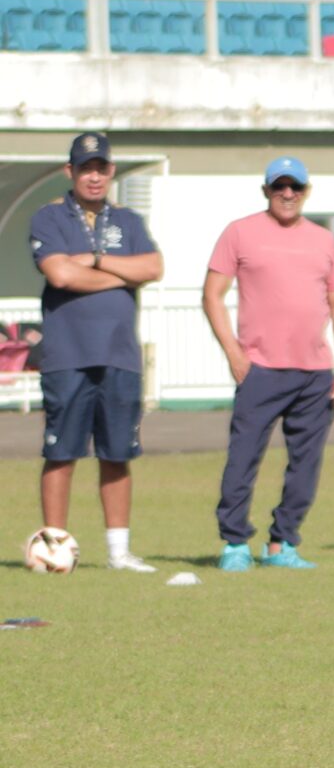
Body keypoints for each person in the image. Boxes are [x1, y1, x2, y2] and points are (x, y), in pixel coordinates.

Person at [201, 158, 334, 571]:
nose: (287, 194)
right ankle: (235, 543)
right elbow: (212, 295)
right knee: (243, 458)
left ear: (307, 191)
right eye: (279, 187)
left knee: (306, 464)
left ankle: (282, 543)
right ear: (266, 190)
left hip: (315, 373)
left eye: (295, 187)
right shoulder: (240, 232)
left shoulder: (323, 240)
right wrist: (233, 351)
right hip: (260, 369)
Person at [29, 130, 163, 572]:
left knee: (117, 454)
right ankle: (54, 549)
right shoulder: (48, 218)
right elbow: (60, 276)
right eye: (85, 168)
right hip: (67, 354)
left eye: (101, 167)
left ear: (111, 171)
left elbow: (153, 267)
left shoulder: (128, 220)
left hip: (120, 353)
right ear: (70, 171)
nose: (94, 176)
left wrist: (97, 261)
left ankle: (118, 553)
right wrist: (124, 276)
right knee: (62, 452)